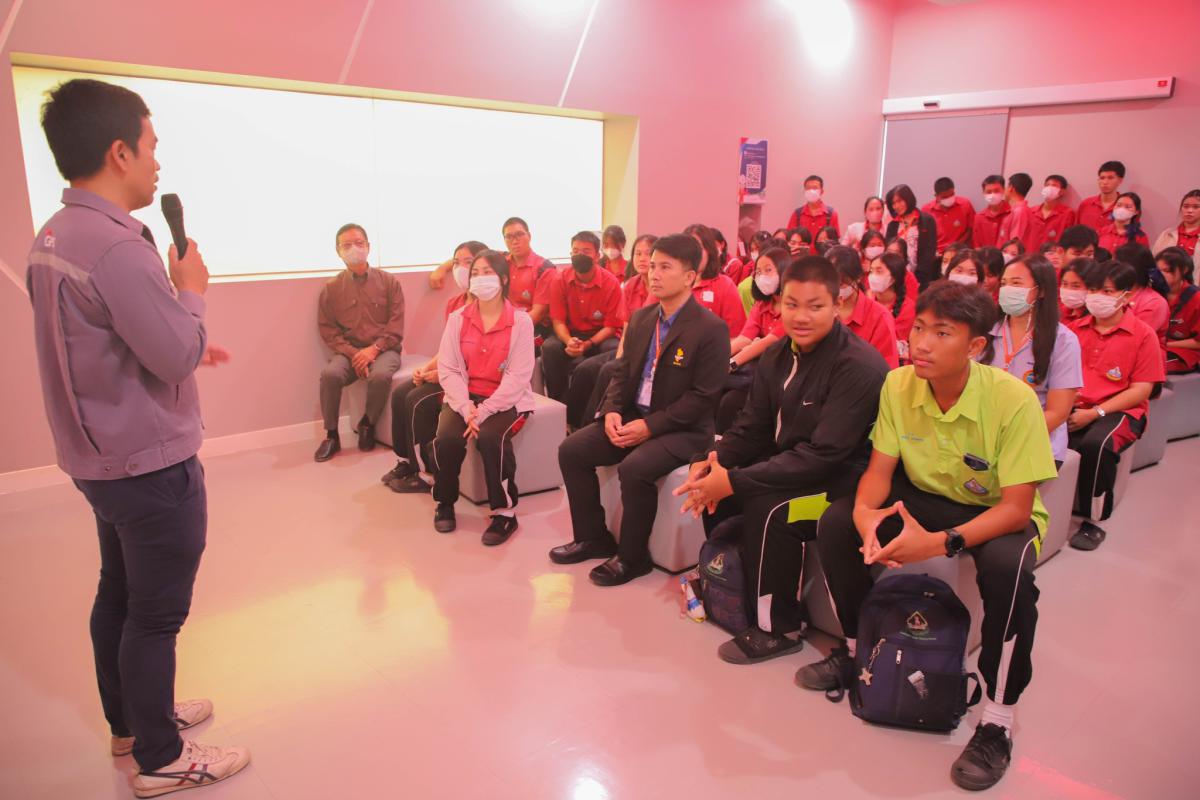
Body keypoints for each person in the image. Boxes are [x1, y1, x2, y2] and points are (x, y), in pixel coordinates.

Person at [27, 78, 249, 796]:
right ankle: (160, 757)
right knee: (155, 615)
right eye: (152, 148)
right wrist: (192, 292)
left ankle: (132, 720)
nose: (158, 163)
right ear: (119, 152)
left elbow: (100, 342)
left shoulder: (55, 235)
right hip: (148, 464)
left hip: (97, 458)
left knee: (119, 592)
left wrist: (178, 334)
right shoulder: (118, 248)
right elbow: (175, 353)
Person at [796, 282, 1056, 793]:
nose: (922, 343)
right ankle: (858, 651)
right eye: (918, 328)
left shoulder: (1013, 400)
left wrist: (939, 543)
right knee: (836, 522)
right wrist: (866, 514)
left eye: (941, 333)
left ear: (975, 346)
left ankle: (997, 718)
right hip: (924, 495)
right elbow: (879, 471)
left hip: (994, 512)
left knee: (1009, 572)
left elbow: (1016, 508)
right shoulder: (899, 384)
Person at [673, 256, 889, 663]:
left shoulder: (858, 367)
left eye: (815, 306)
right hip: (792, 464)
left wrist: (735, 481)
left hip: (841, 482)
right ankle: (730, 589)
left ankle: (779, 629)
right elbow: (751, 426)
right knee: (717, 483)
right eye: (792, 304)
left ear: (838, 306)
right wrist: (713, 462)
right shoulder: (776, 355)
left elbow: (824, 457)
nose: (801, 316)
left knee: (771, 509)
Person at [551, 234, 730, 585]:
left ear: (690, 277)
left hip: (684, 429)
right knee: (571, 450)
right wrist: (612, 410)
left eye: (665, 267)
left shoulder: (710, 329)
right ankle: (592, 537)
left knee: (634, 468)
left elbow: (703, 398)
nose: (653, 274)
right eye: (652, 266)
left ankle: (633, 558)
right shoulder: (643, 318)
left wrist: (650, 427)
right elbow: (622, 373)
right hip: (636, 415)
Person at [429, 250, 536, 544]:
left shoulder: (521, 322)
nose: (479, 278)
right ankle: (444, 502)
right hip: (464, 397)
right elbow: (449, 368)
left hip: (506, 400)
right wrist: (466, 409)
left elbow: (518, 376)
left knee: (491, 438)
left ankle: (505, 513)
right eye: (474, 273)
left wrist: (485, 411)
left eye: (487, 272)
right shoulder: (458, 319)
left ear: (503, 278)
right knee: (446, 438)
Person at [1066, 260, 1165, 550]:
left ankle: (1093, 520)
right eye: (1093, 290)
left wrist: (1094, 413)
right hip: (1077, 404)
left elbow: (1142, 389)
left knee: (1097, 444)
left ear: (1126, 295)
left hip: (1121, 410)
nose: (1098, 297)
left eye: (1107, 291)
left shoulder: (1142, 335)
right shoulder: (1074, 329)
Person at [381, 240, 486, 493]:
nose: (461, 268)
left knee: (417, 400)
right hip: (449, 370)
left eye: (468, 262)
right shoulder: (455, 304)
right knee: (400, 393)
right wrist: (425, 369)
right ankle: (406, 461)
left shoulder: (487, 306)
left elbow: (480, 357)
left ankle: (426, 473)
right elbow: (448, 347)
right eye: (456, 262)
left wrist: (440, 374)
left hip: (469, 379)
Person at [315, 223, 405, 461]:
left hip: (385, 349)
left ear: (368, 246)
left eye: (358, 243)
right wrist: (356, 354)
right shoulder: (331, 289)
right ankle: (332, 435)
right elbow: (329, 331)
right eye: (347, 245)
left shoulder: (389, 282)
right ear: (338, 251)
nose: (354, 249)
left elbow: (396, 326)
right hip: (349, 352)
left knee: (380, 375)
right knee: (330, 375)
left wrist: (373, 350)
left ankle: (367, 423)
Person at [982, 255, 1082, 463]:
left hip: (1035, 439)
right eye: (1004, 284)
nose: (1007, 290)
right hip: (982, 434)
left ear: (1041, 290)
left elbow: (1057, 413)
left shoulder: (1063, 341)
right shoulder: (986, 330)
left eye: (1016, 283)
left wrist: (1006, 440)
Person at [541, 231, 623, 414]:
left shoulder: (610, 283)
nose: (579, 255)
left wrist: (589, 343)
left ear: (597, 256)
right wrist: (568, 340)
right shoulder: (559, 279)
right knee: (550, 347)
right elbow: (558, 321)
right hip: (570, 334)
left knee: (612, 349)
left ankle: (592, 408)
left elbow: (611, 327)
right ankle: (558, 405)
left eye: (586, 251)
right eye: (576, 251)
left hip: (599, 336)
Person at [720, 248, 791, 432]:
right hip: (756, 371)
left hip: (779, 375)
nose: (762, 276)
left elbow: (768, 341)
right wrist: (718, 359)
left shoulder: (792, 305)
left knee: (730, 402)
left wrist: (732, 363)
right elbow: (745, 338)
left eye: (768, 270)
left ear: (784, 270)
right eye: (758, 272)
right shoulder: (762, 304)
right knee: (715, 390)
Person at [829, 245, 899, 368]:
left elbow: (886, 369)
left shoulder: (879, 317)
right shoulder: (818, 310)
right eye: (830, 282)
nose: (835, 289)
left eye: (841, 284)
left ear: (858, 278)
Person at [686, 223, 747, 336]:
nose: (693, 253)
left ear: (709, 251)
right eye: (689, 248)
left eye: (699, 248)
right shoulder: (672, 283)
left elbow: (736, 335)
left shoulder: (725, 285)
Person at [500, 216, 557, 336]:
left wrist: (508, 332)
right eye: (509, 237)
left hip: (534, 327)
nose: (515, 241)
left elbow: (538, 313)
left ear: (529, 236)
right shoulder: (502, 263)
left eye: (519, 234)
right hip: (506, 323)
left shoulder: (544, 268)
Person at [884, 183, 939, 287]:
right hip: (896, 276)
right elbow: (888, 252)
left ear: (908, 199)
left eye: (899, 201)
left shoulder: (927, 221)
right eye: (893, 203)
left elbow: (929, 251)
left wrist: (918, 279)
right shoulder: (893, 225)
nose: (896, 206)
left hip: (920, 278)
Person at [866, 252, 915, 363]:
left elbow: (891, 342)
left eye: (879, 271)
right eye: (871, 271)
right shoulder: (866, 299)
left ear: (893, 278)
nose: (872, 276)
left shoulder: (908, 307)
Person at [1114, 243, 1169, 341]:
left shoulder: (1154, 303)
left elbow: (1134, 339)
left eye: (1116, 266)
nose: (1111, 270)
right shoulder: (1112, 293)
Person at [1158, 247, 1200, 372]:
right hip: (1158, 346)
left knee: (1149, 365)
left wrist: (1166, 344)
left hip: (1183, 352)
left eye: (1167, 271)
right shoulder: (1154, 293)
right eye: (1158, 271)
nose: (1161, 275)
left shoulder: (1196, 298)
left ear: (1184, 270)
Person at [923, 176, 975, 257]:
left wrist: (958, 245)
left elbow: (972, 228)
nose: (949, 198)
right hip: (937, 254)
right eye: (945, 197)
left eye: (952, 194)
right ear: (936, 196)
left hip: (960, 253)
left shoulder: (965, 204)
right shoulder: (926, 210)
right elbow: (924, 236)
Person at [1076, 160, 1125, 233]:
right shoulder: (1086, 204)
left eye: (1110, 178)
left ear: (1120, 180)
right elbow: (1076, 231)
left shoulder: (1125, 207)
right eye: (1102, 178)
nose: (1105, 182)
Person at [997, 172, 1039, 254]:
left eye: (1006, 187)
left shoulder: (1020, 211)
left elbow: (1015, 245)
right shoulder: (1015, 211)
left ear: (1011, 188)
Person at [1029, 174, 1076, 246]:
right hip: (1031, 251)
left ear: (1061, 191)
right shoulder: (1031, 211)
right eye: (1047, 185)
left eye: (1054, 186)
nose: (1049, 188)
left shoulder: (1068, 213)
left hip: (1054, 252)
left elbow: (1069, 239)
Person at [1152, 189, 1200, 257]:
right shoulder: (1167, 234)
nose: (1189, 210)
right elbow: (1154, 258)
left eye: (1196, 207)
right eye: (1186, 206)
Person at [973, 174, 1010, 249]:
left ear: (1004, 190)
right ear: (983, 193)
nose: (992, 195)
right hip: (985, 255)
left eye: (996, 191)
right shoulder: (979, 217)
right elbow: (977, 245)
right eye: (988, 192)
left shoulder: (1012, 213)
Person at [1058, 257, 1092, 324]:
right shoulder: (1059, 312)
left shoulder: (1094, 320)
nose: (1068, 290)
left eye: (1076, 286)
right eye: (1065, 284)